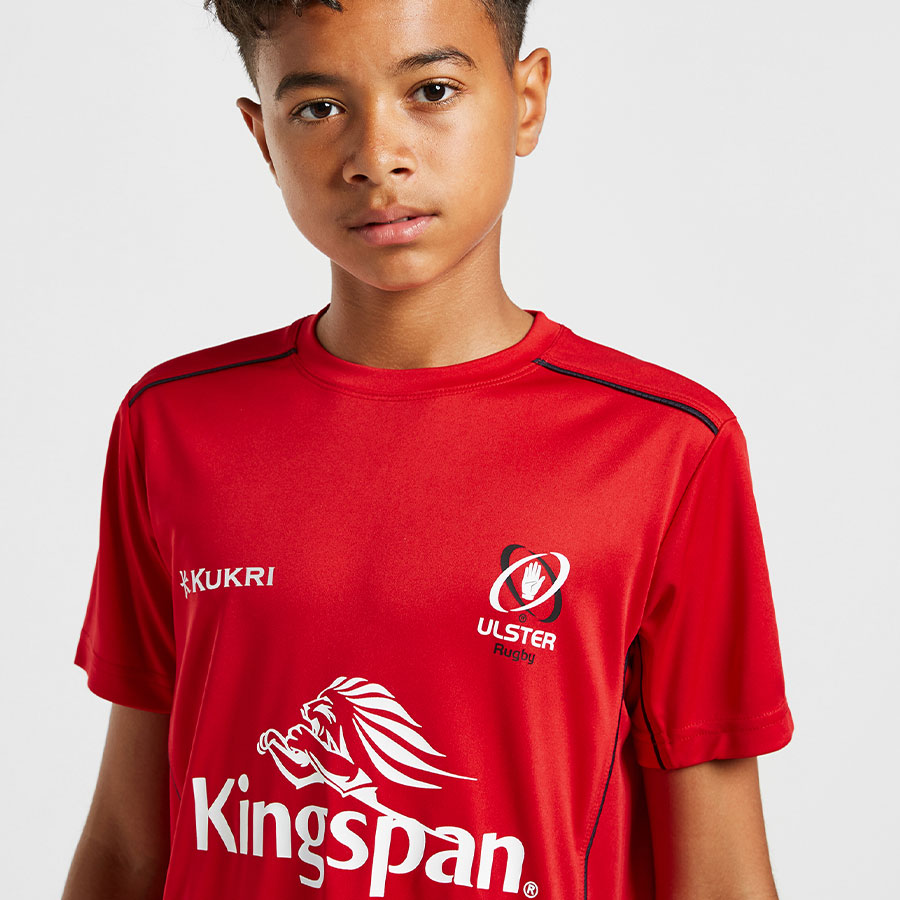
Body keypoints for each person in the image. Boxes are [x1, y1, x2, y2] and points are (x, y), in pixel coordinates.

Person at [63, 1, 794, 898]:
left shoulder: (667, 449)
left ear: (526, 101)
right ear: (263, 139)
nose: (377, 157)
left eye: (432, 91)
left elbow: (720, 877)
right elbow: (129, 846)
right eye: (319, 108)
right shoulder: (173, 426)